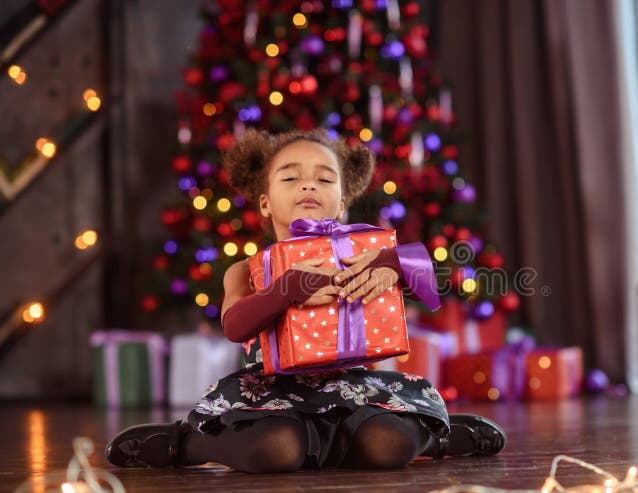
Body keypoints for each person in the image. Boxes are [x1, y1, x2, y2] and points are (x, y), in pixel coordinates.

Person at [105, 128, 506, 473]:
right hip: (272, 395)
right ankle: (188, 444)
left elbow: (430, 284)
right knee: (276, 450)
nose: (309, 185)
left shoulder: (361, 253)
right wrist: (288, 287)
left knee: (389, 444)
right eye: (291, 177)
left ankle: (437, 436)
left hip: (351, 390)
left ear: (343, 202)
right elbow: (234, 326)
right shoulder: (246, 269)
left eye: (325, 179)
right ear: (264, 202)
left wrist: (393, 265)